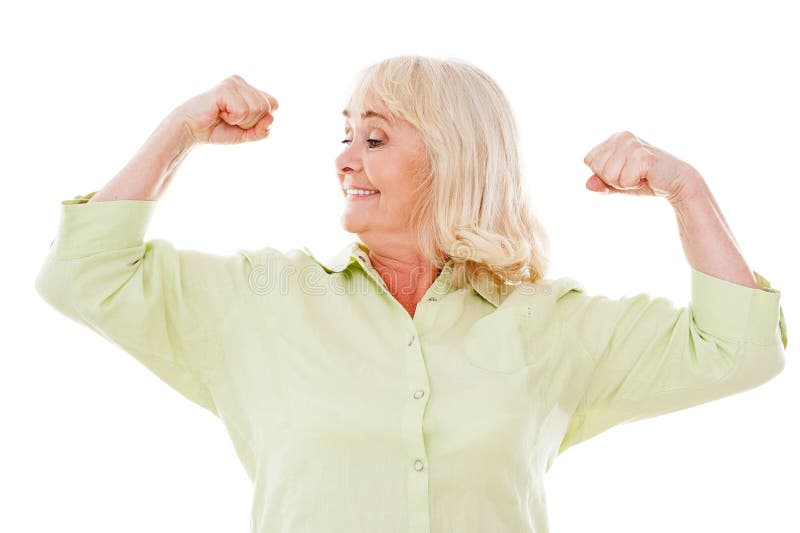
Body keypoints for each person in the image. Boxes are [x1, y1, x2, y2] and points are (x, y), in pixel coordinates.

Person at [34, 55, 787, 533]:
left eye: (376, 138)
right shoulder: (265, 297)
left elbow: (741, 347)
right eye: (345, 135)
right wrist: (181, 130)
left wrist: (688, 193)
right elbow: (84, 273)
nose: (345, 160)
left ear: (454, 158)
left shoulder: (550, 325)